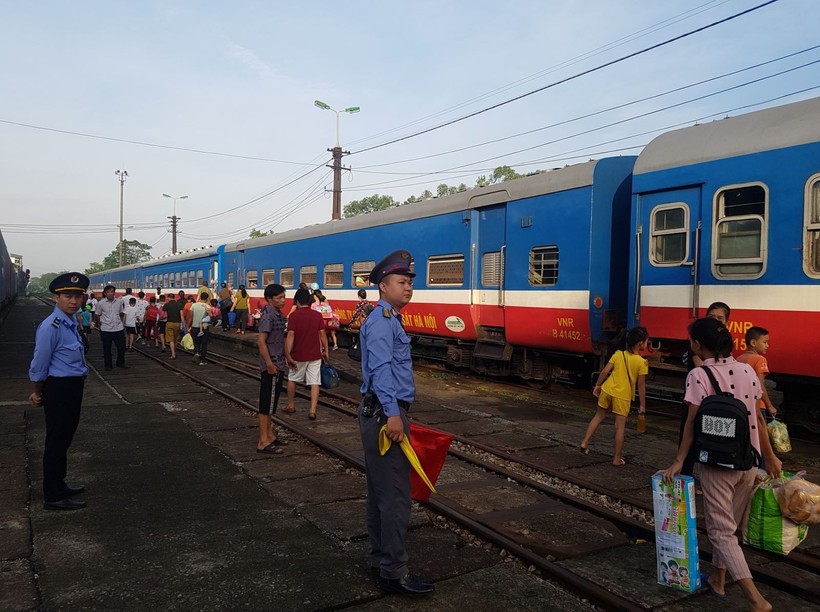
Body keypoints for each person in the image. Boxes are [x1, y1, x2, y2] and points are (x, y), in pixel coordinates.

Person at [660, 317, 781, 610]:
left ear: (698, 345)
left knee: (720, 531)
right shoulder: (746, 370)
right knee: (731, 527)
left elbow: (691, 424)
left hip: (717, 466)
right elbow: (759, 419)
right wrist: (772, 456)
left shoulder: (698, 375)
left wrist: (678, 462)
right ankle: (718, 579)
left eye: (691, 341)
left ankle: (756, 600)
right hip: (749, 462)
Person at [358, 249, 433, 596]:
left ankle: (380, 560)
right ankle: (394, 572)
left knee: (380, 494)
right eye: (402, 282)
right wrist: (392, 413)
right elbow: (380, 370)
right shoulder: (382, 321)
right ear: (384, 286)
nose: (408, 288)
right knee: (397, 498)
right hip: (385, 413)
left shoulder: (388, 319)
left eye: (409, 283)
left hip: (381, 411)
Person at [29, 273, 90, 511]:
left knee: (65, 438)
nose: (73, 301)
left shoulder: (70, 321)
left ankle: (60, 483)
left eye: (77, 296)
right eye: (68, 296)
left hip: (72, 387)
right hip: (59, 388)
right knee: (56, 440)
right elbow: (39, 364)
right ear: (56, 297)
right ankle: (53, 495)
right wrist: (37, 392)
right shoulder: (51, 326)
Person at [581, 327, 649, 466]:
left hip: (607, 390)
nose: (647, 344)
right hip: (622, 397)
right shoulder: (642, 362)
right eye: (647, 342)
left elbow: (605, 371)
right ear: (640, 344)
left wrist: (598, 386)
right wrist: (642, 404)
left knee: (598, 416)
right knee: (619, 428)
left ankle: (584, 442)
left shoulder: (618, 354)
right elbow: (641, 386)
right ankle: (616, 458)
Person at [681, 302, 731, 479]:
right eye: (712, 317)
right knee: (691, 433)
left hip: (713, 401)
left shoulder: (722, 343)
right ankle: (686, 474)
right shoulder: (699, 346)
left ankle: (699, 475)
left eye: (720, 318)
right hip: (697, 397)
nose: (716, 321)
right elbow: (703, 371)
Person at [284, 288, 327, 420]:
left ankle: (291, 405)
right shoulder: (317, 315)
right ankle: (312, 410)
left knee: (292, 379)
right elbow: (322, 334)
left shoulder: (294, 316)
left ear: (297, 301)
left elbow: (291, 335)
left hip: (298, 354)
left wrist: (288, 354)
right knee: (315, 382)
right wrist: (326, 349)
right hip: (315, 354)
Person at [256, 284, 288, 454]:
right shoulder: (268, 316)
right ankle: (263, 440)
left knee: (271, 404)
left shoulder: (278, 314)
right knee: (266, 403)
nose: (283, 300)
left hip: (278, 362)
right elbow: (261, 341)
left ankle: (270, 435)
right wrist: (268, 363)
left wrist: (287, 357)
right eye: (279, 297)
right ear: (270, 299)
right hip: (272, 364)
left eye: (284, 296)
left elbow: (280, 340)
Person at [736, 326, 778, 418]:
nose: (767, 345)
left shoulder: (738, 359)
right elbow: (760, 385)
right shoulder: (760, 359)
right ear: (753, 343)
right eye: (765, 342)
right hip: (757, 405)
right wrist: (769, 405)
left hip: (742, 403)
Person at [94, 284, 127, 370]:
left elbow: (121, 313)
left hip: (118, 328)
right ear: (105, 293)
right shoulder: (100, 303)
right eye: (108, 292)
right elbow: (97, 314)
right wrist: (100, 323)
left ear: (114, 293)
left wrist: (121, 322)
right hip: (106, 328)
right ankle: (108, 365)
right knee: (107, 348)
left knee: (121, 347)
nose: (110, 294)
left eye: (112, 292)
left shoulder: (119, 302)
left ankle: (120, 362)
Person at [163, 292, 185, 360]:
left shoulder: (166, 305)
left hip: (169, 323)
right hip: (177, 324)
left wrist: (159, 319)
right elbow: (182, 315)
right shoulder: (179, 305)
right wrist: (183, 324)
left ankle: (173, 354)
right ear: (174, 297)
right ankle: (174, 351)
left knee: (171, 340)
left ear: (168, 298)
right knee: (175, 339)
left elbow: (163, 314)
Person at [190, 291, 210, 365]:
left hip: (195, 326)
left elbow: (191, 317)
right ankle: (203, 360)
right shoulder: (207, 306)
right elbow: (211, 316)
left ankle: (196, 355)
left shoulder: (194, 305)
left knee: (196, 342)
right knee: (204, 343)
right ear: (207, 298)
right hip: (204, 327)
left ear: (200, 297)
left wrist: (189, 326)